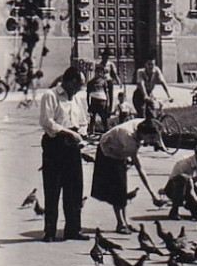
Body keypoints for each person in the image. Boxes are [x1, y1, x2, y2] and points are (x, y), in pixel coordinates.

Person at [36, 66, 89, 242]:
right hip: (55, 144)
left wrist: (81, 133)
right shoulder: (50, 95)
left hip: (72, 145)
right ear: (70, 81)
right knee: (53, 188)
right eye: (79, 84)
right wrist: (68, 133)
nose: (80, 88)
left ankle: (73, 229)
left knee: (74, 189)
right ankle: (50, 230)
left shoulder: (76, 98)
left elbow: (82, 120)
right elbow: (46, 122)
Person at [90, 118, 166, 233]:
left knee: (122, 185)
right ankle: (120, 223)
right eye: (150, 138)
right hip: (108, 150)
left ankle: (125, 222)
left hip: (120, 146)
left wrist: (153, 194)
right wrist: (153, 194)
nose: (152, 142)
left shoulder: (144, 124)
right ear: (143, 134)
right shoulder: (129, 137)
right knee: (118, 187)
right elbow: (140, 168)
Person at [159, 142, 197, 219]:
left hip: (190, 187)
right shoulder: (185, 163)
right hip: (174, 188)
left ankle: (194, 209)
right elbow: (190, 191)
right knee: (183, 179)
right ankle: (174, 210)